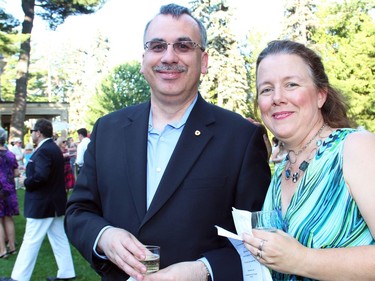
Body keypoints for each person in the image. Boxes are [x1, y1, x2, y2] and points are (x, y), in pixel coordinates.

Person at [64, 4, 271, 281]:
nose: (169, 56)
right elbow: (78, 211)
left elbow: (258, 240)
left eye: (184, 46)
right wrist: (104, 236)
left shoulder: (240, 138)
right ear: (144, 59)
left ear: (204, 61)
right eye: (158, 46)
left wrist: (204, 270)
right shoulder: (107, 130)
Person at [242, 40, 375, 280]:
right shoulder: (281, 170)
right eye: (266, 89)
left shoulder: (355, 147)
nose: (277, 98)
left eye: (291, 84)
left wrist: (301, 259)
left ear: (321, 95)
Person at [0, 119, 76, 281]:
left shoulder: (44, 150)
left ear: (38, 133)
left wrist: (25, 181)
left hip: (43, 204)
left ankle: (19, 278)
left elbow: (41, 176)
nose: (32, 134)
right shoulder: (52, 149)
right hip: (53, 203)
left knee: (31, 240)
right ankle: (67, 273)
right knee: (59, 238)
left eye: (33, 131)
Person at [0, 127, 20, 259]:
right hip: (9, 189)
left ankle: (2, 250)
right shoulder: (10, 154)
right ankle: (12, 247)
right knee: (8, 218)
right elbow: (17, 173)